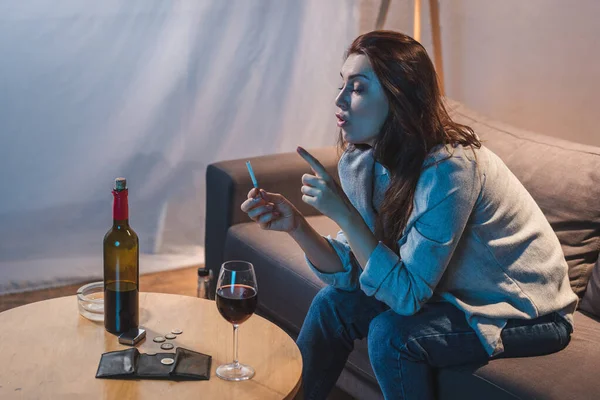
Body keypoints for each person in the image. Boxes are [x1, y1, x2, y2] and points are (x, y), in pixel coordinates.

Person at [240, 30, 578, 400]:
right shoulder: (362, 160)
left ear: (399, 98)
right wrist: (297, 225)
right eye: (342, 84)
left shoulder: (451, 169)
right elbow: (356, 269)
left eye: (357, 87)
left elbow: (406, 298)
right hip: (447, 294)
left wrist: (342, 212)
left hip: (528, 313)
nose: (338, 99)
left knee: (392, 334)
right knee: (331, 305)